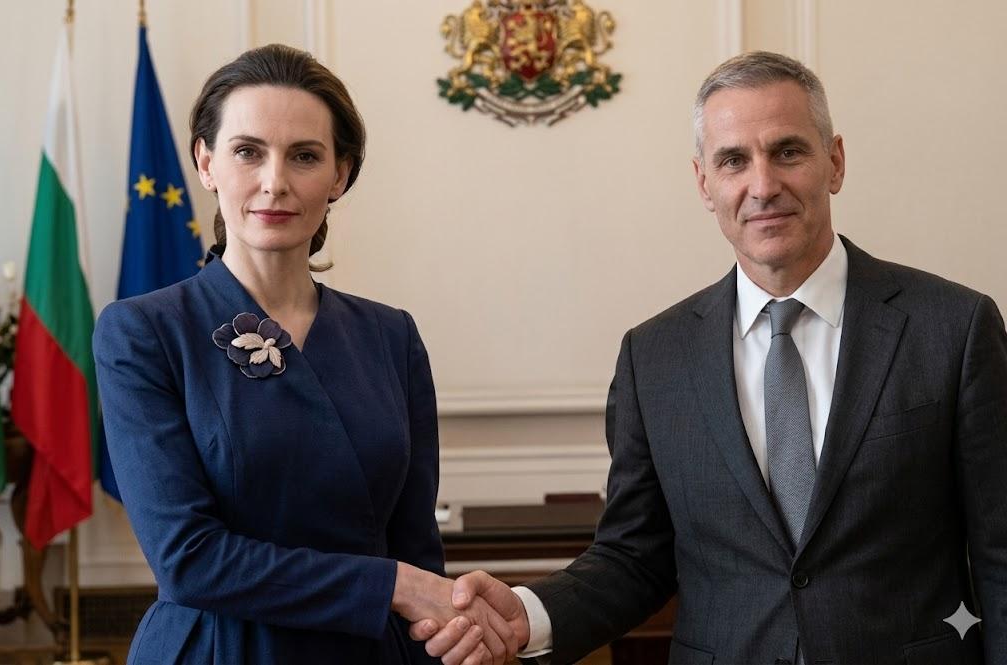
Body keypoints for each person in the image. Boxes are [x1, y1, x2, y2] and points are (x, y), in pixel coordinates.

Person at [411, 51, 1007, 664]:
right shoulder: (654, 357)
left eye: (788, 152)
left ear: (835, 162)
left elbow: (1000, 556)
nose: (762, 186)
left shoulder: (954, 329)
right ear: (704, 183)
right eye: (733, 161)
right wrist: (528, 615)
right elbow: (635, 557)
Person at [94, 44, 517, 665]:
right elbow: (188, 559)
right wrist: (394, 587)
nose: (275, 182)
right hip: (222, 650)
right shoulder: (142, 331)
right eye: (248, 151)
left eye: (304, 156)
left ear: (340, 175)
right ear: (206, 163)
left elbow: (417, 552)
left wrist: (454, 634)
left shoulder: (392, 336)